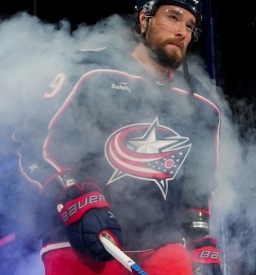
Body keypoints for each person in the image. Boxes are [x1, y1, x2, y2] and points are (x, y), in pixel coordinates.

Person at [15, 0, 223, 274]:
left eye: (189, 26)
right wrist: (74, 194)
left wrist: (199, 240)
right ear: (144, 18)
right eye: (173, 17)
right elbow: (32, 142)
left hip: (164, 248)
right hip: (82, 244)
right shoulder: (90, 69)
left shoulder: (202, 104)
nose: (182, 31)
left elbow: (198, 186)